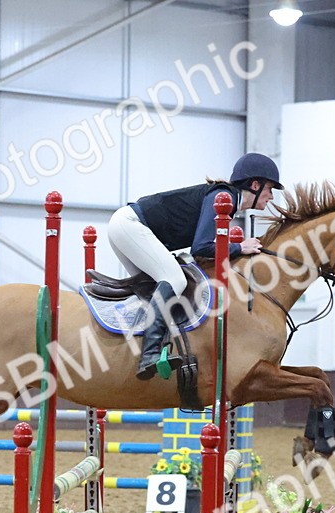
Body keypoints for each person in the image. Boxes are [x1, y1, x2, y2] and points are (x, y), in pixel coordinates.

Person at [107, 153, 283, 380]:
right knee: (175, 279)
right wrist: (239, 247)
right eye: (270, 189)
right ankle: (149, 354)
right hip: (130, 226)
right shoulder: (224, 196)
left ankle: (136, 352)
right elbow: (201, 248)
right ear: (255, 185)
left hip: (126, 227)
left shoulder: (227, 199)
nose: (271, 196)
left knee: (157, 291)